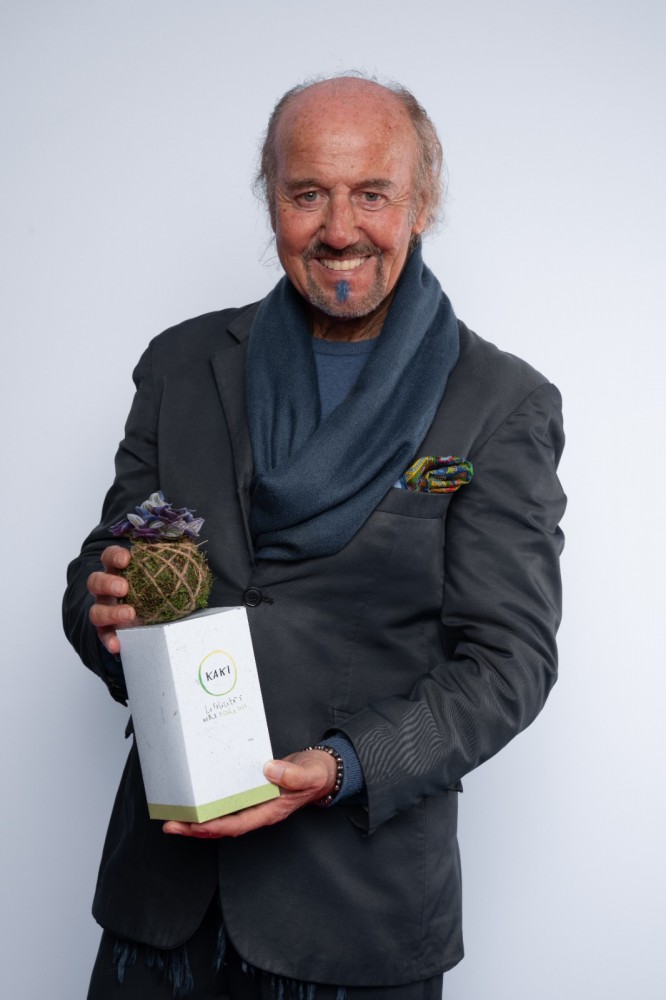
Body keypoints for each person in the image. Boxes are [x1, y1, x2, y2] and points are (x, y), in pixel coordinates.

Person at [63, 74, 566, 1000]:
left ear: (421, 203)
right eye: (308, 194)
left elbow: (510, 662)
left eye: (372, 193)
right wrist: (102, 612)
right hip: (162, 900)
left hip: (358, 913)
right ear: (272, 202)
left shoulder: (501, 404)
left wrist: (344, 767)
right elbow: (103, 565)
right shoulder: (182, 364)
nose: (340, 229)